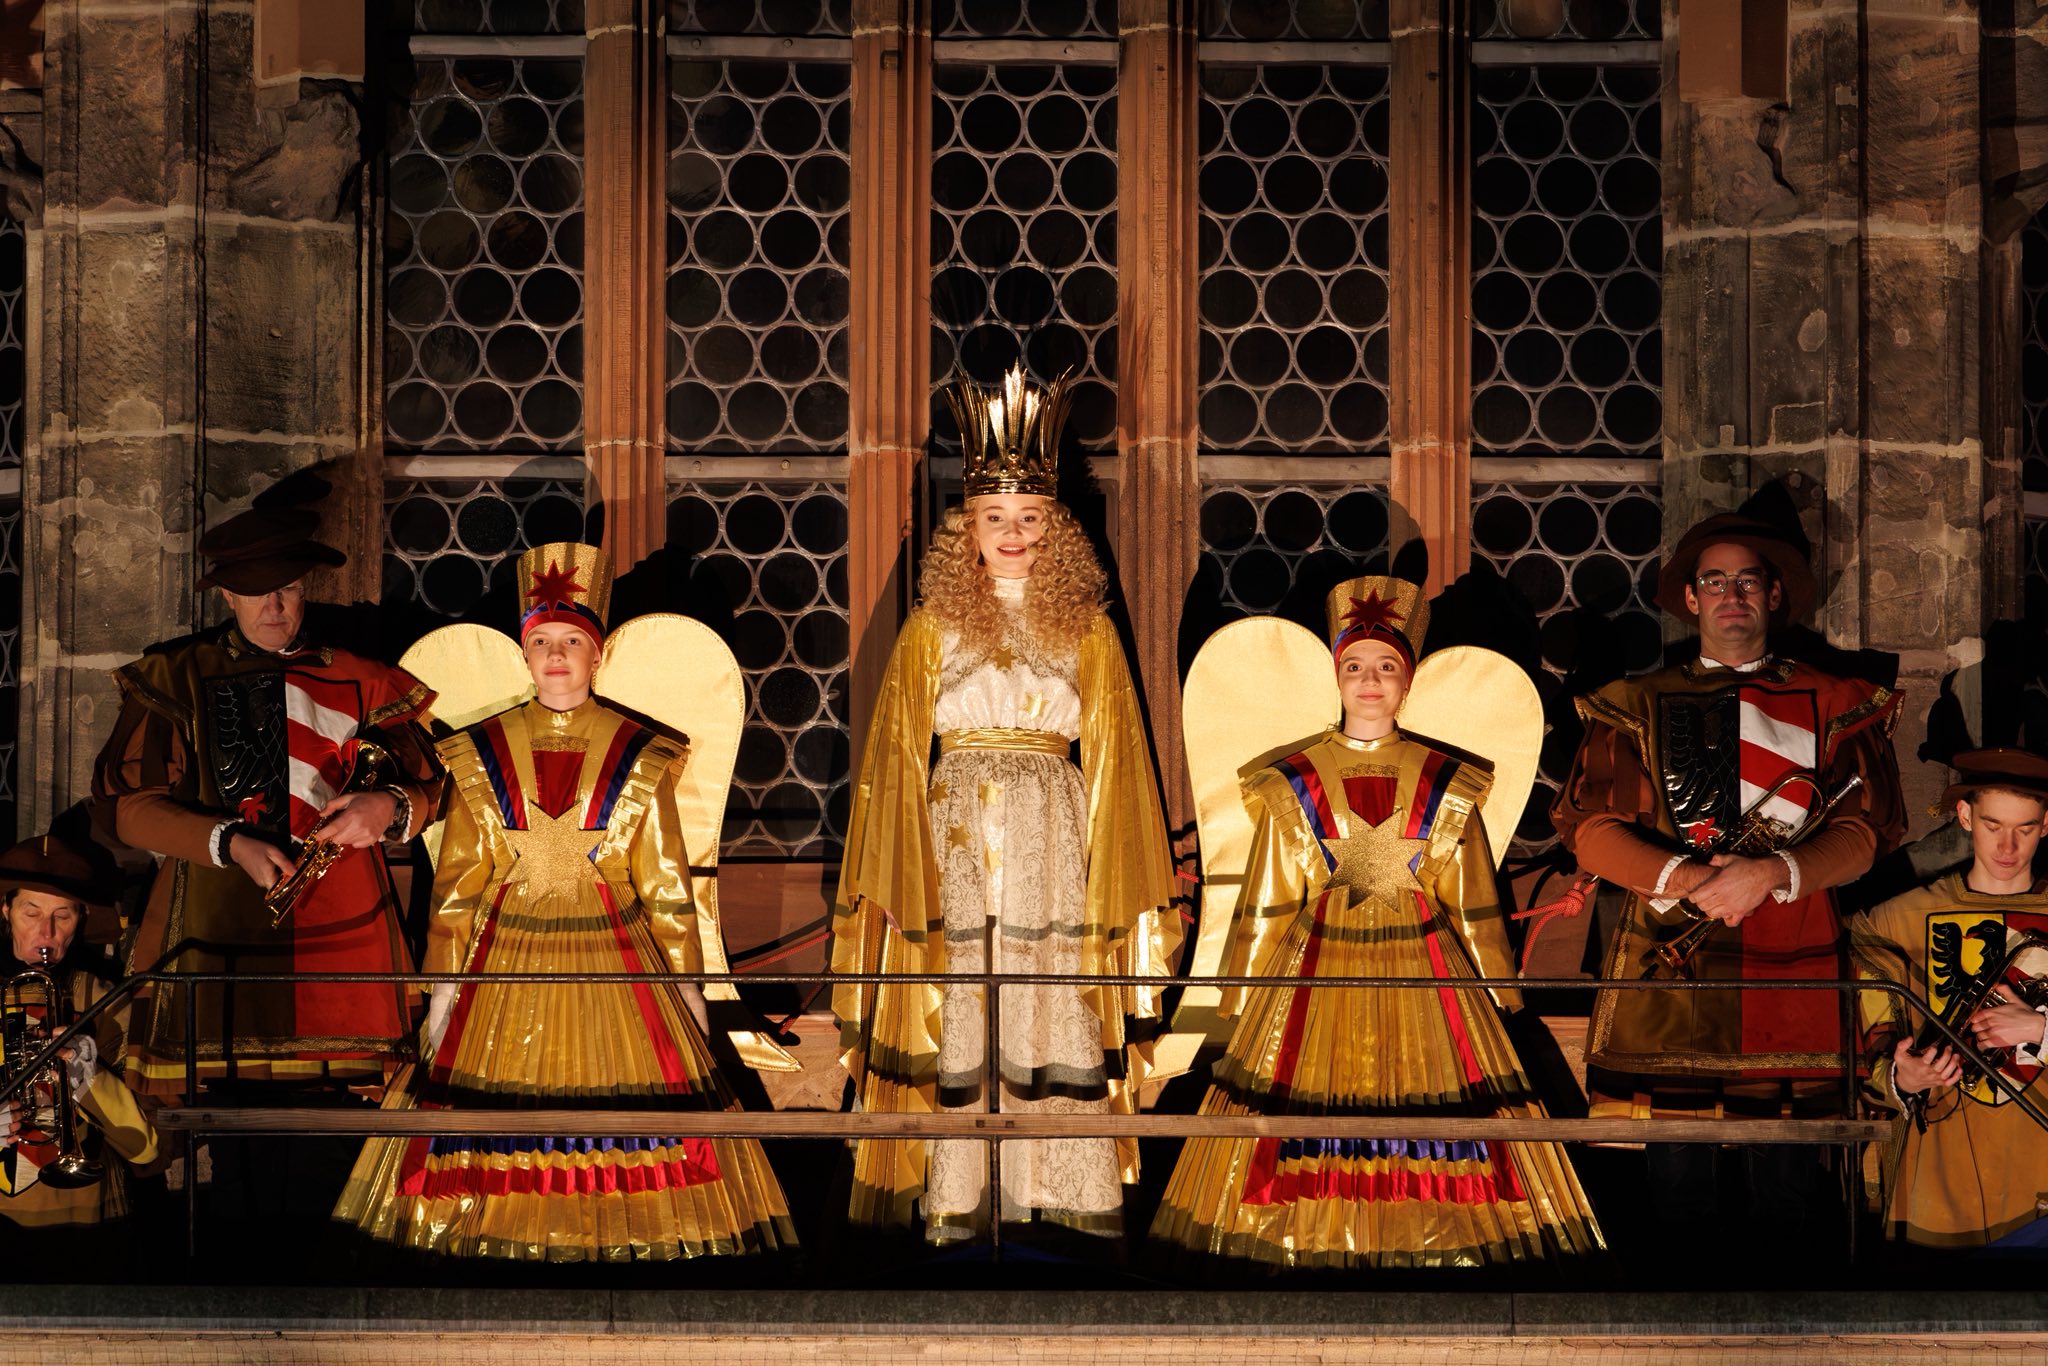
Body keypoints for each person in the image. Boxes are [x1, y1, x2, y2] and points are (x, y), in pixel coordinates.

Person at [334, 542, 795, 1261]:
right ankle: (501, 1244)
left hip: (619, 962)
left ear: (597, 654)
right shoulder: (478, 751)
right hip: (502, 964)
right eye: (542, 641)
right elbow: (457, 887)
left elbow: (667, 886)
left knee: (628, 1109)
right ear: (524, 653)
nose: (556, 655)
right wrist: (443, 994)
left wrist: (690, 996)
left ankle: (621, 1244)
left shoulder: (641, 753)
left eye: (572, 641)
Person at [1148, 576, 1604, 1269]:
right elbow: (1270, 900)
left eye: (1387, 666)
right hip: (1315, 974)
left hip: (1428, 974)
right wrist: (1241, 1000)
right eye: (1356, 665)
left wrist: (1501, 998)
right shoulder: (1294, 778)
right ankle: (1310, 1236)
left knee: (1437, 1097)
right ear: (1336, 677)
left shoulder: (1446, 780)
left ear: (1408, 681)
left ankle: (1427, 1237)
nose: (1370, 680)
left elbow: (1471, 901)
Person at [832, 365, 1179, 1243]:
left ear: (1055, 529)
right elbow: (894, 758)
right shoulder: (930, 628)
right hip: (952, 833)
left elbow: (1120, 764)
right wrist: (893, 874)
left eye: (1029, 518)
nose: (1013, 534)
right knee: (964, 994)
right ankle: (960, 1198)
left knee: (1044, 989)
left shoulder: (1089, 629)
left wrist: (1121, 886)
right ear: (969, 530)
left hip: (1053, 838)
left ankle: (1054, 1196)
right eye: (995, 518)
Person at [1551, 511, 1905, 1243]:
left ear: (1773, 595)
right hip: (1671, 962)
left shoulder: (1838, 701)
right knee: (1676, 1188)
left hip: (1793, 957)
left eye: (1747, 580)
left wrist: (1771, 873)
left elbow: (1867, 832)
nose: (1731, 595)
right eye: (1714, 581)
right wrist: (1692, 880)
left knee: (1789, 1189)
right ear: (1691, 599)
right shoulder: (1633, 702)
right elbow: (1590, 830)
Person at [93, 500, 444, 1098]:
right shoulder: (174, 676)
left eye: (287, 589)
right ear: (228, 595)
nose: (274, 607)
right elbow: (126, 811)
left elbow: (438, 788)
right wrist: (230, 843)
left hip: (344, 936)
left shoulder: (364, 678)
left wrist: (389, 806)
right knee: (217, 1121)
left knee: (345, 1121)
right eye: (257, 592)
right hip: (211, 927)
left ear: (305, 588)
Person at [1855, 748, 2048, 1248]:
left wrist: (2039, 1030)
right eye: (1992, 825)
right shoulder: (1891, 923)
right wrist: (1903, 1078)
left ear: (2046, 825)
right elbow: (1872, 1047)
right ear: (1964, 816)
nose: (2007, 846)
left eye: (2025, 828)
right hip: (1939, 1169)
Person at [0, 834, 158, 1232]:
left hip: (87, 1217)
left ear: (82, 917)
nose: (46, 933)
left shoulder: (105, 1000)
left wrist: (88, 1077)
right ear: (5, 910)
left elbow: (147, 1149)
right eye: (31, 913)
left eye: (63, 916)